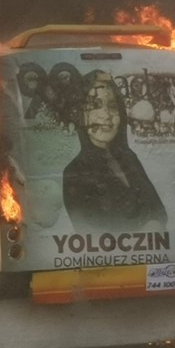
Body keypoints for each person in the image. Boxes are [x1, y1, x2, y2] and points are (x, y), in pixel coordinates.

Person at [63, 70, 167, 231]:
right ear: (81, 115)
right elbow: (91, 234)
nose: (106, 115)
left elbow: (159, 211)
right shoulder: (74, 172)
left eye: (112, 106)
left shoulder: (129, 157)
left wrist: (153, 225)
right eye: (95, 105)